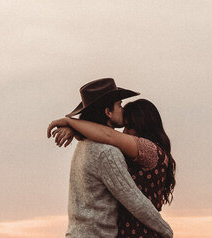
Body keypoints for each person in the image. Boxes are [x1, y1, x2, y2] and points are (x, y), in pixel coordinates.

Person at [48, 78, 173, 238]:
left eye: (129, 126)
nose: (124, 132)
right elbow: (133, 199)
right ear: (108, 112)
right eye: (120, 105)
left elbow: (109, 135)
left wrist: (73, 126)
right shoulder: (107, 152)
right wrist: (166, 230)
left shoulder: (84, 145)